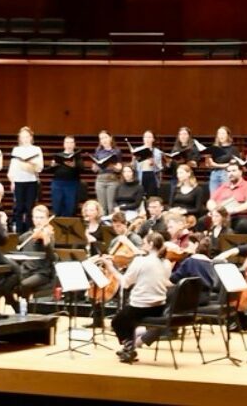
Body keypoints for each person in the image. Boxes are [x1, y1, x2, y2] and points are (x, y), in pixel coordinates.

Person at [106, 233, 171, 364]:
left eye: (144, 242)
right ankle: (128, 348)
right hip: (159, 307)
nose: (142, 245)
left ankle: (129, 346)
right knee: (128, 319)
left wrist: (110, 268)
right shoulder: (166, 263)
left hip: (141, 308)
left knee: (117, 322)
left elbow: (125, 283)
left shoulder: (140, 261)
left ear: (151, 244)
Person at [7, 127, 44, 234]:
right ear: (20, 138)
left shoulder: (36, 149)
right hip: (19, 181)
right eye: (23, 137)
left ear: (31, 137)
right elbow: (12, 167)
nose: (25, 139)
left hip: (31, 181)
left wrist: (29, 164)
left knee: (29, 208)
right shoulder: (16, 150)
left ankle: (29, 231)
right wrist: (12, 181)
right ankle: (19, 233)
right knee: (19, 208)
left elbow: (40, 168)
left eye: (27, 137)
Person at [16, 204, 56, 299]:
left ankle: (25, 305)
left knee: (24, 284)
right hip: (26, 271)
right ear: (32, 219)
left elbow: (51, 257)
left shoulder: (49, 235)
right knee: (7, 283)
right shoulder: (25, 236)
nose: (39, 220)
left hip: (42, 273)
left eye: (42, 218)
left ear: (47, 219)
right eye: (36, 217)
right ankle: (16, 305)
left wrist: (45, 239)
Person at [208, 162, 247, 233]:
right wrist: (214, 211)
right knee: (202, 220)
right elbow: (210, 201)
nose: (231, 173)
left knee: (243, 224)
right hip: (222, 215)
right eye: (229, 171)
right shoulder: (223, 186)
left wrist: (234, 210)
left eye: (233, 171)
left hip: (238, 216)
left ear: (240, 172)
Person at [49, 135, 85, 218]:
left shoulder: (77, 156)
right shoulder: (58, 155)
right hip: (58, 183)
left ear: (74, 144)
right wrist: (52, 165)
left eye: (71, 143)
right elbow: (50, 170)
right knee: (57, 207)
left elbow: (82, 169)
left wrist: (74, 166)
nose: (69, 145)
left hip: (72, 184)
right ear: (64, 144)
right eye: (67, 143)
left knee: (70, 207)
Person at [92, 130, 124, 215]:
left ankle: (111, 223)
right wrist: (95, 167)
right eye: (101, 138)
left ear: (110, 138)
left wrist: (117, 167)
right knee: (102, 207)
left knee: (111, 206)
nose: (104, 140)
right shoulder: (98, 151)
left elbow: (119, 167)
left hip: (112, 180)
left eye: (105, 137)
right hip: (100, 180)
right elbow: (94, 167)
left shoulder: (116, 151)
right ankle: (103, 223)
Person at [166, 127, 200, 198]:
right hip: (176, 177)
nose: (182, 136)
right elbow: (170, 166)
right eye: (180, 134)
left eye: (185, 134)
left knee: (189, 197)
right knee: (174, 197)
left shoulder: (193, 148)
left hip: (188, 178)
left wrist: (186, 162)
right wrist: (168, 163)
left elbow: (196, 163)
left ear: (189, 136)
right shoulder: (175, 148)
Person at [204, 126, 237, 192]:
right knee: (214, 195)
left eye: (223, 133)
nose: (221, 135)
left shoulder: (233, 149)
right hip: (214, 173)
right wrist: (207, 160)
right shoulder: (214, 148)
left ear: (228, 135)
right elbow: (208, 165)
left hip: (226, 173)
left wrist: (216, 165)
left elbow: (234, 164)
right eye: (219, 133)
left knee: (226, 195)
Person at [133, 130, 165, 197]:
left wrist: (154, 163)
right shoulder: (137, 150)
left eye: (149, 137)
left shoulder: (157, 152)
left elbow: (160, 168)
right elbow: (134, 167)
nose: (147, 139)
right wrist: (133, 160)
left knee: (151, 197)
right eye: (145, 137)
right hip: (141, 175)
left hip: (152, 175)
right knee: (141, 196)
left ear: (153, 139)